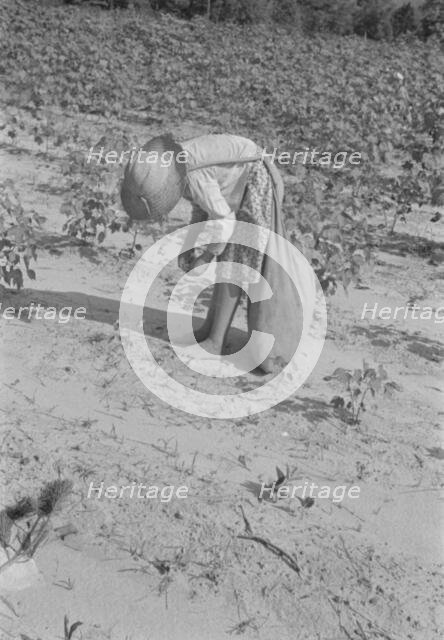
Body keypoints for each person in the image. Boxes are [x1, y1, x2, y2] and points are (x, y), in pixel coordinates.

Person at [121, 133, 302, 373]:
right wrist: (190, 245)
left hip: (258, 185)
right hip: (239, 186)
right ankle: (210, 328)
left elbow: (224, 220)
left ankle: (216, 342)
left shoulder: (193, 175)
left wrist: (205, 257)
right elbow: (202, 208)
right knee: (226, 257)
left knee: (235, 263)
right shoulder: (177, 168)